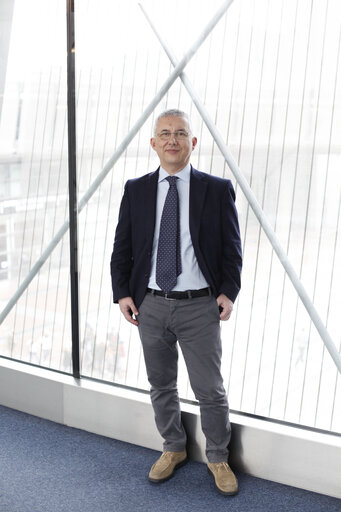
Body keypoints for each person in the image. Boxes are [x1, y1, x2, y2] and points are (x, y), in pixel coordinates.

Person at [110, 109, 242, 496]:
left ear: (192, 142)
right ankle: (174, 448)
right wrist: (122, 293)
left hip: (199, 306)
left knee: (210, 390)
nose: (172, 140)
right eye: (165, 133)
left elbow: (232, 249)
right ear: (153, 143)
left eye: (181, 133)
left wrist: (228, 292)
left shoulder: (216, 189)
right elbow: (123, 247)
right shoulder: (136, 189)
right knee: (160, 385)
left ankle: (218, 456)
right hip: (150, 305)